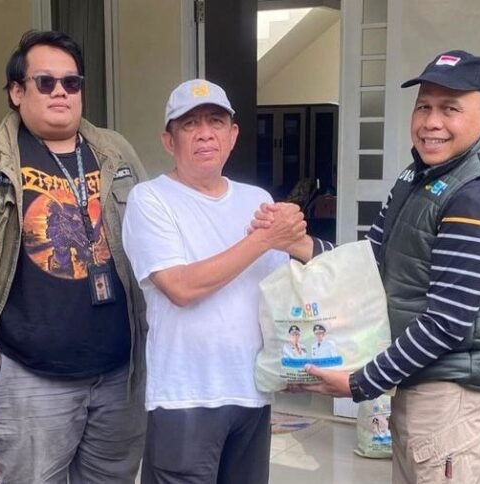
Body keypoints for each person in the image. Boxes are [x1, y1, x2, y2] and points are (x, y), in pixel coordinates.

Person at [257, 50, 480, 484]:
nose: (431, 122)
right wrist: (300, 245)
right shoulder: (417, 177)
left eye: (450, 109)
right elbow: (369, 263)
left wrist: (361, 382)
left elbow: (447, 322)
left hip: (454, 393)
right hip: (423, 384)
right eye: (424, 107)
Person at [0, 30, 147, 483]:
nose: (60, 92)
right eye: (45, 82)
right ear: (17, 91)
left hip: (118, 375)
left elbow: (151, 239)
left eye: (71, 82)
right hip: (28, 378)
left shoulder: (115, 151)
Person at [122, 79, 306, 484]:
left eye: (216, 122)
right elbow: (180, 287)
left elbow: (278, 294)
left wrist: (298, 238)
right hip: (185, 397)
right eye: (190, 124)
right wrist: (263, 239)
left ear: (233, 135)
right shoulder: (150, 199)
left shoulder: (257, 200)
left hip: (252, 392)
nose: (205, 134)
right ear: (169, 141)